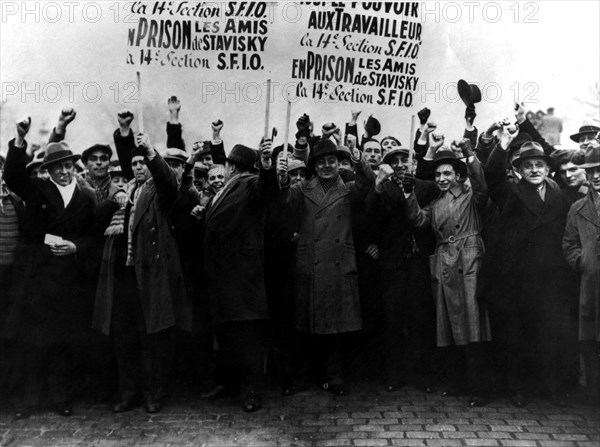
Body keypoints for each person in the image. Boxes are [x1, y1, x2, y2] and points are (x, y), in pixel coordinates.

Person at [3, 118, 97, 419]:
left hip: (68, 280)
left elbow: (91, 237)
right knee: (33, 343)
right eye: (58, 167)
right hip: (36, 279)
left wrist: (75, 248)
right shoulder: (38, 189)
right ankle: (29, 400)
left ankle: (60, 398)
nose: (64, 171)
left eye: (68, 165)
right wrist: (20, 139)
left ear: (73, 165)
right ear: (50, 169)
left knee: (62, 342)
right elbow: (14, 175)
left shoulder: (86, 197)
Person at [93, 130, 190, 414]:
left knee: (151, 338)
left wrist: (149, 150)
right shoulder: (124, 193)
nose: (137, 167)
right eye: (133, 164)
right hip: (123, 276)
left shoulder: (158, 191)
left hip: (150, 274)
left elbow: (168, 181)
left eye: (142, 163)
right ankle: (128, 393)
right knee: (124, 338)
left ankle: (152, 393)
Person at [480, 133, 576, 408]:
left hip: (549, 279)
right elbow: (492, 175)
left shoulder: (560, 194)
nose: (534, 170)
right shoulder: (509, 190)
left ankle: (549, 386)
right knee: (515, 337)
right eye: (528, 165)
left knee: (547, 335)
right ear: (518, 170)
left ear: (548, 169)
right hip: (515, 279)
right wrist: (503, 145)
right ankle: (516, 387)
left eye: (539, 165)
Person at [278, 138, 375, 396]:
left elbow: (368, 182)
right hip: (309, 263)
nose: (327, 166)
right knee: (302, 326)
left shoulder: (350, 188)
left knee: (334, 328)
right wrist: (282, 176)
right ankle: (299, 378)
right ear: (315, 165)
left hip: (337, 263)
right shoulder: (302, 188)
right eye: (321, 162)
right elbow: (283, 200)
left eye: (332, 161)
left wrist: (357, 155)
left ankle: (335, 378)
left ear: (338, 163)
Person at [402, 139, 492, 407]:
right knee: (451, 325)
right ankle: (457, 382)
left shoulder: (470, 196)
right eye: (438, 174)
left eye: (447, 174)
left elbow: (483, 187)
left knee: (474, 325)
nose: (441, 178)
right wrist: (409, 194)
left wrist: (468, 153)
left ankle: (480, 388)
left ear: (459, 175)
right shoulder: (436, 203)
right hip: (445, 263)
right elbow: (418, 220)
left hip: (469, 258)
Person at [200, 140, 279, 412]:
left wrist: (267, 167)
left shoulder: (249, 183)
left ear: (233, 167)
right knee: (229, 336)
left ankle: (251, 390)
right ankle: (229, 383)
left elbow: (268, 190)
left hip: (243, 277)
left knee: (248, 338)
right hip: (224, 277)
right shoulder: (227, 189)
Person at [369, 146, 439, 393]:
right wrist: (377, 189)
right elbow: (373, 220)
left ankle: (421, 374)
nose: (400, 164)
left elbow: (429, 223)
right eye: (395, 161)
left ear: (414, 163)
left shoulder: (427, 187)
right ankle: (394, 374)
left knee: (420, 318)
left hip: (419, 261)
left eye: (405, 160)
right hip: (393, 263)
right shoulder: (383, 188)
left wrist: (412, 192)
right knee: (393, 319)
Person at [563, 146, 600, 406]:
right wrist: (582, 262)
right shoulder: (578, 208)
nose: (596, 176)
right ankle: (595, 394)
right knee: (590, 341)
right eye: (592, 171)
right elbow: (569, 244)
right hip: (591, 285)